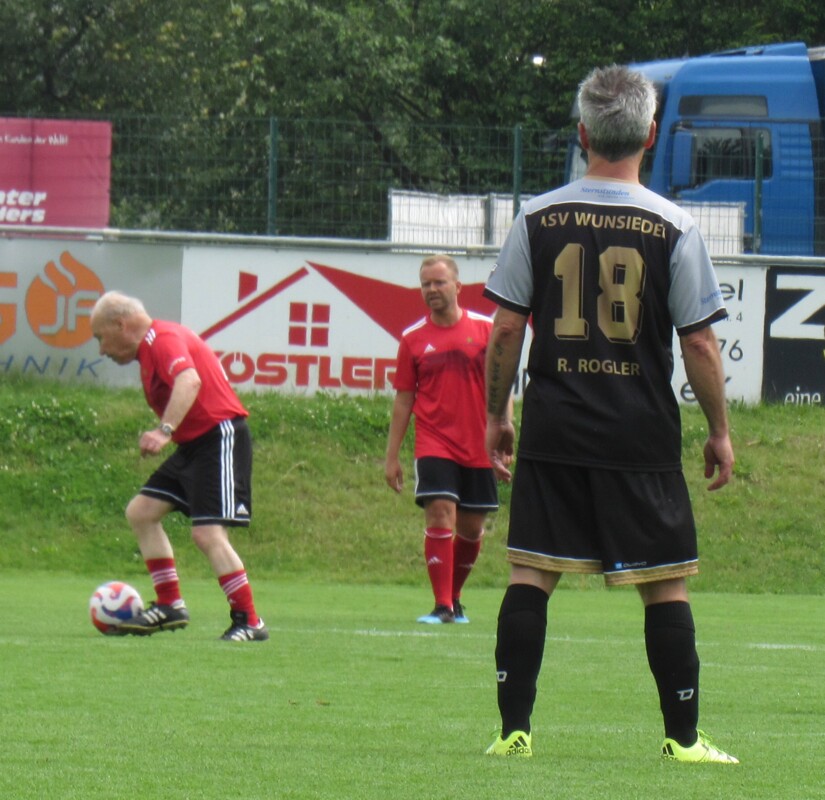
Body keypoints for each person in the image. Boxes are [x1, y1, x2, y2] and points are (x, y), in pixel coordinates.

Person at [482, 66, 739, 762]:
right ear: (650, 135)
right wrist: (718, 431)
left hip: (555, 426)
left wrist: (496, 414)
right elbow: (698, 341)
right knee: (664, 584)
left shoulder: (535, 217)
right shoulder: (674, 225)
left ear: (582, 133)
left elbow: (505, 329)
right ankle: (682, 740)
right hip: (639, 432)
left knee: (530, 573)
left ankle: (513, 732)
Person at [90, 291, 268, 642]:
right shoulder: (151, 348)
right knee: (141, 512)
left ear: (120, 325)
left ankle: (249, 621)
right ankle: (170, 605)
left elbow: (190, 380)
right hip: (195, 444)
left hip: (219, 437)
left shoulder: (163, 339)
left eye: (100, 337)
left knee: (207, 534)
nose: (101, 349)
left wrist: (163, 431)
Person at [385, 254, 509, 624]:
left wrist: (502, 435)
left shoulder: (486, 331)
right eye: (425, 284)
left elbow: (502, 388)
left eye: (439, 282)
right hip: (434, 443)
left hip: (479, 444)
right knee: (440, 512)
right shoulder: (412, 339)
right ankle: (441, 606)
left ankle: (454, 600)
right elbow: (404, 399)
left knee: (472, 528)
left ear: (457, 287)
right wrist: (391, 457)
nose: (432, 290)